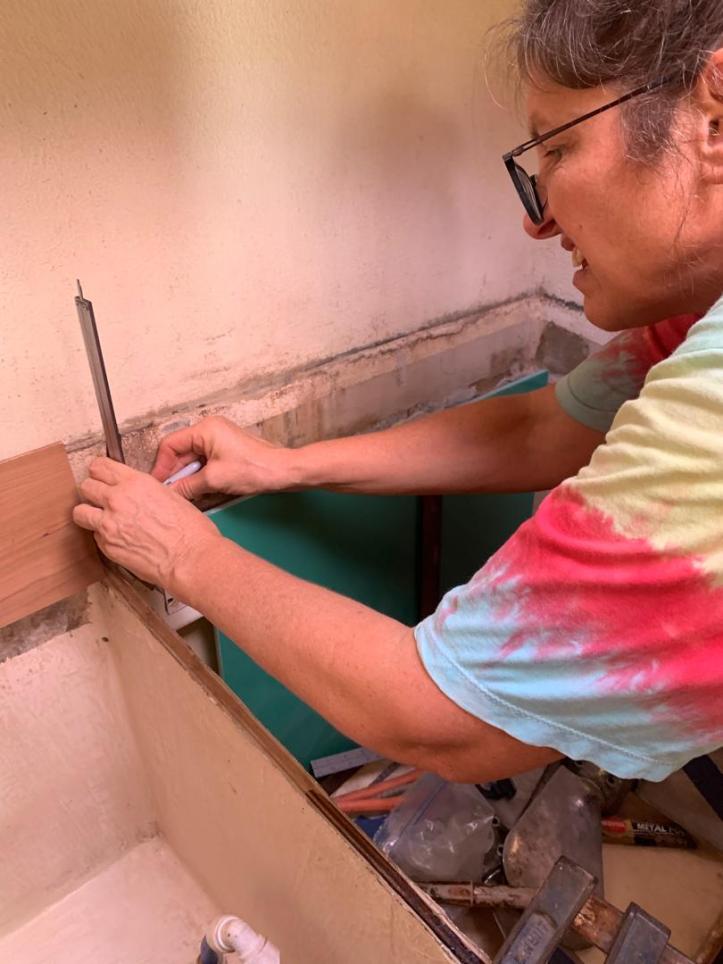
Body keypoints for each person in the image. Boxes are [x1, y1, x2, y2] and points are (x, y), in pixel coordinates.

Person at [74, 0, 723, 783]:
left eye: (556, 147)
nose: (537, 220)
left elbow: (442, 719)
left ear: (713, 120)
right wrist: (285, 464)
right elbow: (541, 431)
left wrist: (184, 554)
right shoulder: (693, 311)